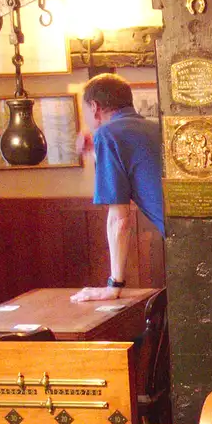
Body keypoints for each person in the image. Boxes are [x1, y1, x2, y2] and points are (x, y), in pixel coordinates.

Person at [70, 72, 164, 303]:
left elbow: (119, 220)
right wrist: (95, 151)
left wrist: (114, 285)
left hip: (187, 245)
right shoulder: (154, 128)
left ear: (94, 107)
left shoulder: (108, 135)